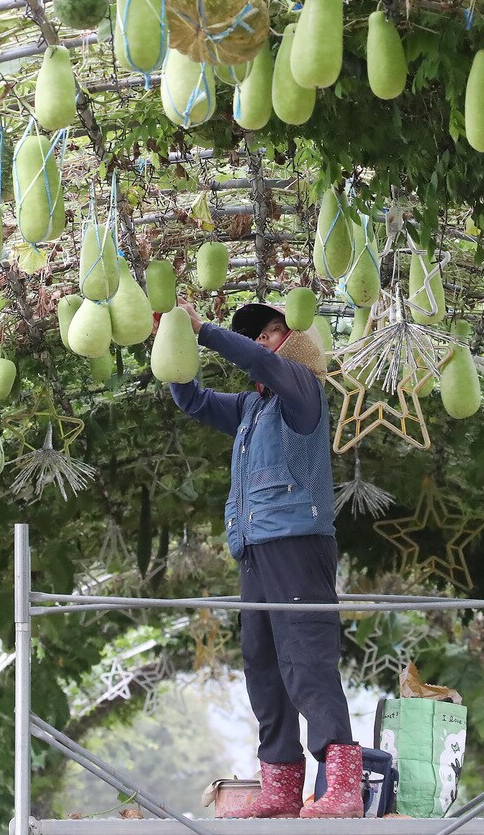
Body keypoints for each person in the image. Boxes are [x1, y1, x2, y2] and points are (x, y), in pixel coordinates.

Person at [166, 298, 363, 820]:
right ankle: (279, 786)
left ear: (294, 341)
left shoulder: (301, 389)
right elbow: (193, 401)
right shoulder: (252, 409)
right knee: (264, 665)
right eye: (256, 335)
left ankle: (343, 784)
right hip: (254, 548)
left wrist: (203, 330)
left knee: (307, 659)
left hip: (298, 543)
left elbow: (264, 366)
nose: (262, 342)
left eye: (272, 332)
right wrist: (171, 347)